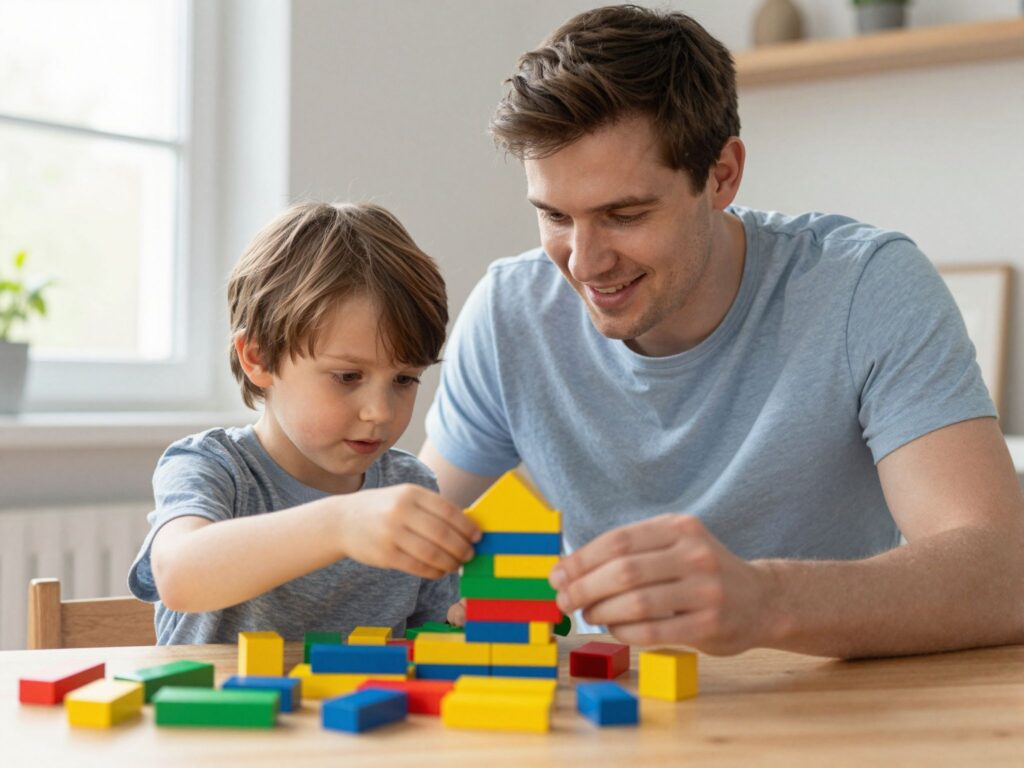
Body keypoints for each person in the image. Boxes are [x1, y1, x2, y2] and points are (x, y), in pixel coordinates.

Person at [421, 5, 1024, 658]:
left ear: (721, 176)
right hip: (612, 713)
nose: (585, 261)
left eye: (623, 214)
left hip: (828, 712)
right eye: (555, 216)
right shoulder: (510, 313)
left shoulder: (865, 289)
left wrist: (765, 601)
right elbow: (395, 538)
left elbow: (1004, 575)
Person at [129, 202, 480, 644]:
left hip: (363, 712)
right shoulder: (212, 467)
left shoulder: (409, 485)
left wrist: (460, 621)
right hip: (224, 713)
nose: (381, 411)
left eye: (405, 379)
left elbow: (423, 638)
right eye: (348, 376)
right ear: (259, 358)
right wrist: (341, 525)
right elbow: (179, 575)